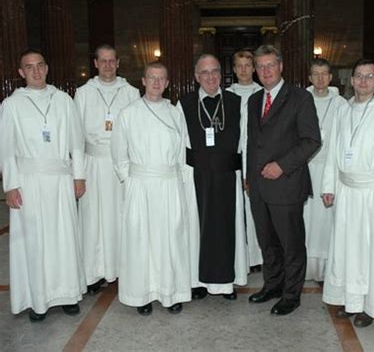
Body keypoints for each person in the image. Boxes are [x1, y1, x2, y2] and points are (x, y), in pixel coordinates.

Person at [0, 50, 87, 322]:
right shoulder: (12, 105)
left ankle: (68, 295)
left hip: (61, 180)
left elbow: (76, 142)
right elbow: (7, 149)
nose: (36, 71)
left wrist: (79, 176)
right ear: (21, 72)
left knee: (63, 238)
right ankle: (37, 299)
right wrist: (10, 185)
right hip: (29, 183)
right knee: (34, 241)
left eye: (40, 66)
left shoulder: (63, 100)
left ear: (47, 68)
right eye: (29, 67)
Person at [321, 58, 374, 327]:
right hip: (346, 191)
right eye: (359, 76)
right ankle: (350, 299)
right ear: (351, 80)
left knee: (370, 251)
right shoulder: (343, 111)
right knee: (346, 249)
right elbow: (334, 150)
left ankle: (370, 305)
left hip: (372, 193)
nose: (363, 81)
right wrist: (329, 186)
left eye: (369, 76)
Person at [111, 62, 191, 315]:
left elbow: (182, 151)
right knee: (141, 240)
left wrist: (180, 182)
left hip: (169, 184)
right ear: (143, 81)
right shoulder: (128, 113)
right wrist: (131, 179)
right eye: (152, 78)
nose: (157, 83)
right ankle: (141, 294)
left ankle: (171, 292)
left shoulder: (175, 112)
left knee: (170, 239)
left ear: (167, 83)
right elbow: (118, 153)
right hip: (141, 186)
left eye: (162, 78)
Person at [247, 45, 321, 315]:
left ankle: (291, 294)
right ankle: (272, 285)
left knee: (290, 244)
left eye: (270, 65)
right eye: (261, 66)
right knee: (267, 242)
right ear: (256, 70)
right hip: (258, 186)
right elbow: (253, 142)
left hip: (287, 184)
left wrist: (282, 166)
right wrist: (249, 178)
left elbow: (312, 140)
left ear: (280, 67)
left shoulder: (300, 98)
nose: (265, 70)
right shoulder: (254, 100)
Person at [177, 54, 247, 300]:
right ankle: (197, 282)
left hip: (228, 175)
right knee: (198, 228)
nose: (210, 77)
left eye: (215, 71)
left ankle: (227, 283)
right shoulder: (183, 104)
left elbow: (246, 142)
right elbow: (179, 144)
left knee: (229, 228)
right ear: (196, 77)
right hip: (197, 176)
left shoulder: (236, 102)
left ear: (222, 74)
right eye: (204, 72)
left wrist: (246, 174)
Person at [74, 44, 140, 294]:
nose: (108, 66)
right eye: (103, 61)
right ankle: (94, 272)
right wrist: (78, 175)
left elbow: (136, 132)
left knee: (122, 217)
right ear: (95, 63)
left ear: (118, 63)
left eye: (112, 61)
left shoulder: (131, 92)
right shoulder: (83, 93)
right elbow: (76, 137)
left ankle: (124, 270)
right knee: (93, 220)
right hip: (93, 164)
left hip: (121, 166)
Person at [304, 58, 347, 282]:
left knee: (327, 221)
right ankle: (306, 266)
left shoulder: (341, 104)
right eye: (315, 74)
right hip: (306, 168)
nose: (320, 78)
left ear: (331, 77)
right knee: (307, 219)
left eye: (324, 74)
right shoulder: (301, 99)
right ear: (309, 78)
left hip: (330, 169)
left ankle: (327, 268)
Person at [226, 50, 263, 272]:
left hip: (256, 157)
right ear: (233, 68)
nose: (243, 70)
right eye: (239, 65)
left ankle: (257, 256)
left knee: (255, 208)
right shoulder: (227, 94)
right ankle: (240, 255)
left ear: (254, 68)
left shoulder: (262, 92)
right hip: (234, 156)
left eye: (248, 65)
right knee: (237, 208)